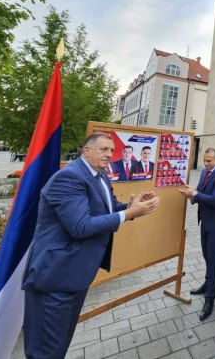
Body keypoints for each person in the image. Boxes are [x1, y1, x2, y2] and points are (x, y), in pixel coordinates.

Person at [22, 133, 160, 358]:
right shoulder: (68, 177)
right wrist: (128, 214)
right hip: (55, 277)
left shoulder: (100, 175)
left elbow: (108, 207)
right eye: (103, 149)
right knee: (44, 351)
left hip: (76, 275)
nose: (109, 155)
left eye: (111, 150)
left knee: (59, 345)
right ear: (86, 151)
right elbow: (80, 226)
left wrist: (130, 206)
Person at [180, 148, 215, 320]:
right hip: (205, 221)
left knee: (213, 257)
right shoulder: (204, 172)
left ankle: (210, 298)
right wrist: (192, 194)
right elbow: (201, 191)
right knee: (206, 256)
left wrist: (194, 194)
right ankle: (208, 284)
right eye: (204, 160)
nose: (206, 163)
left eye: (209, 161)